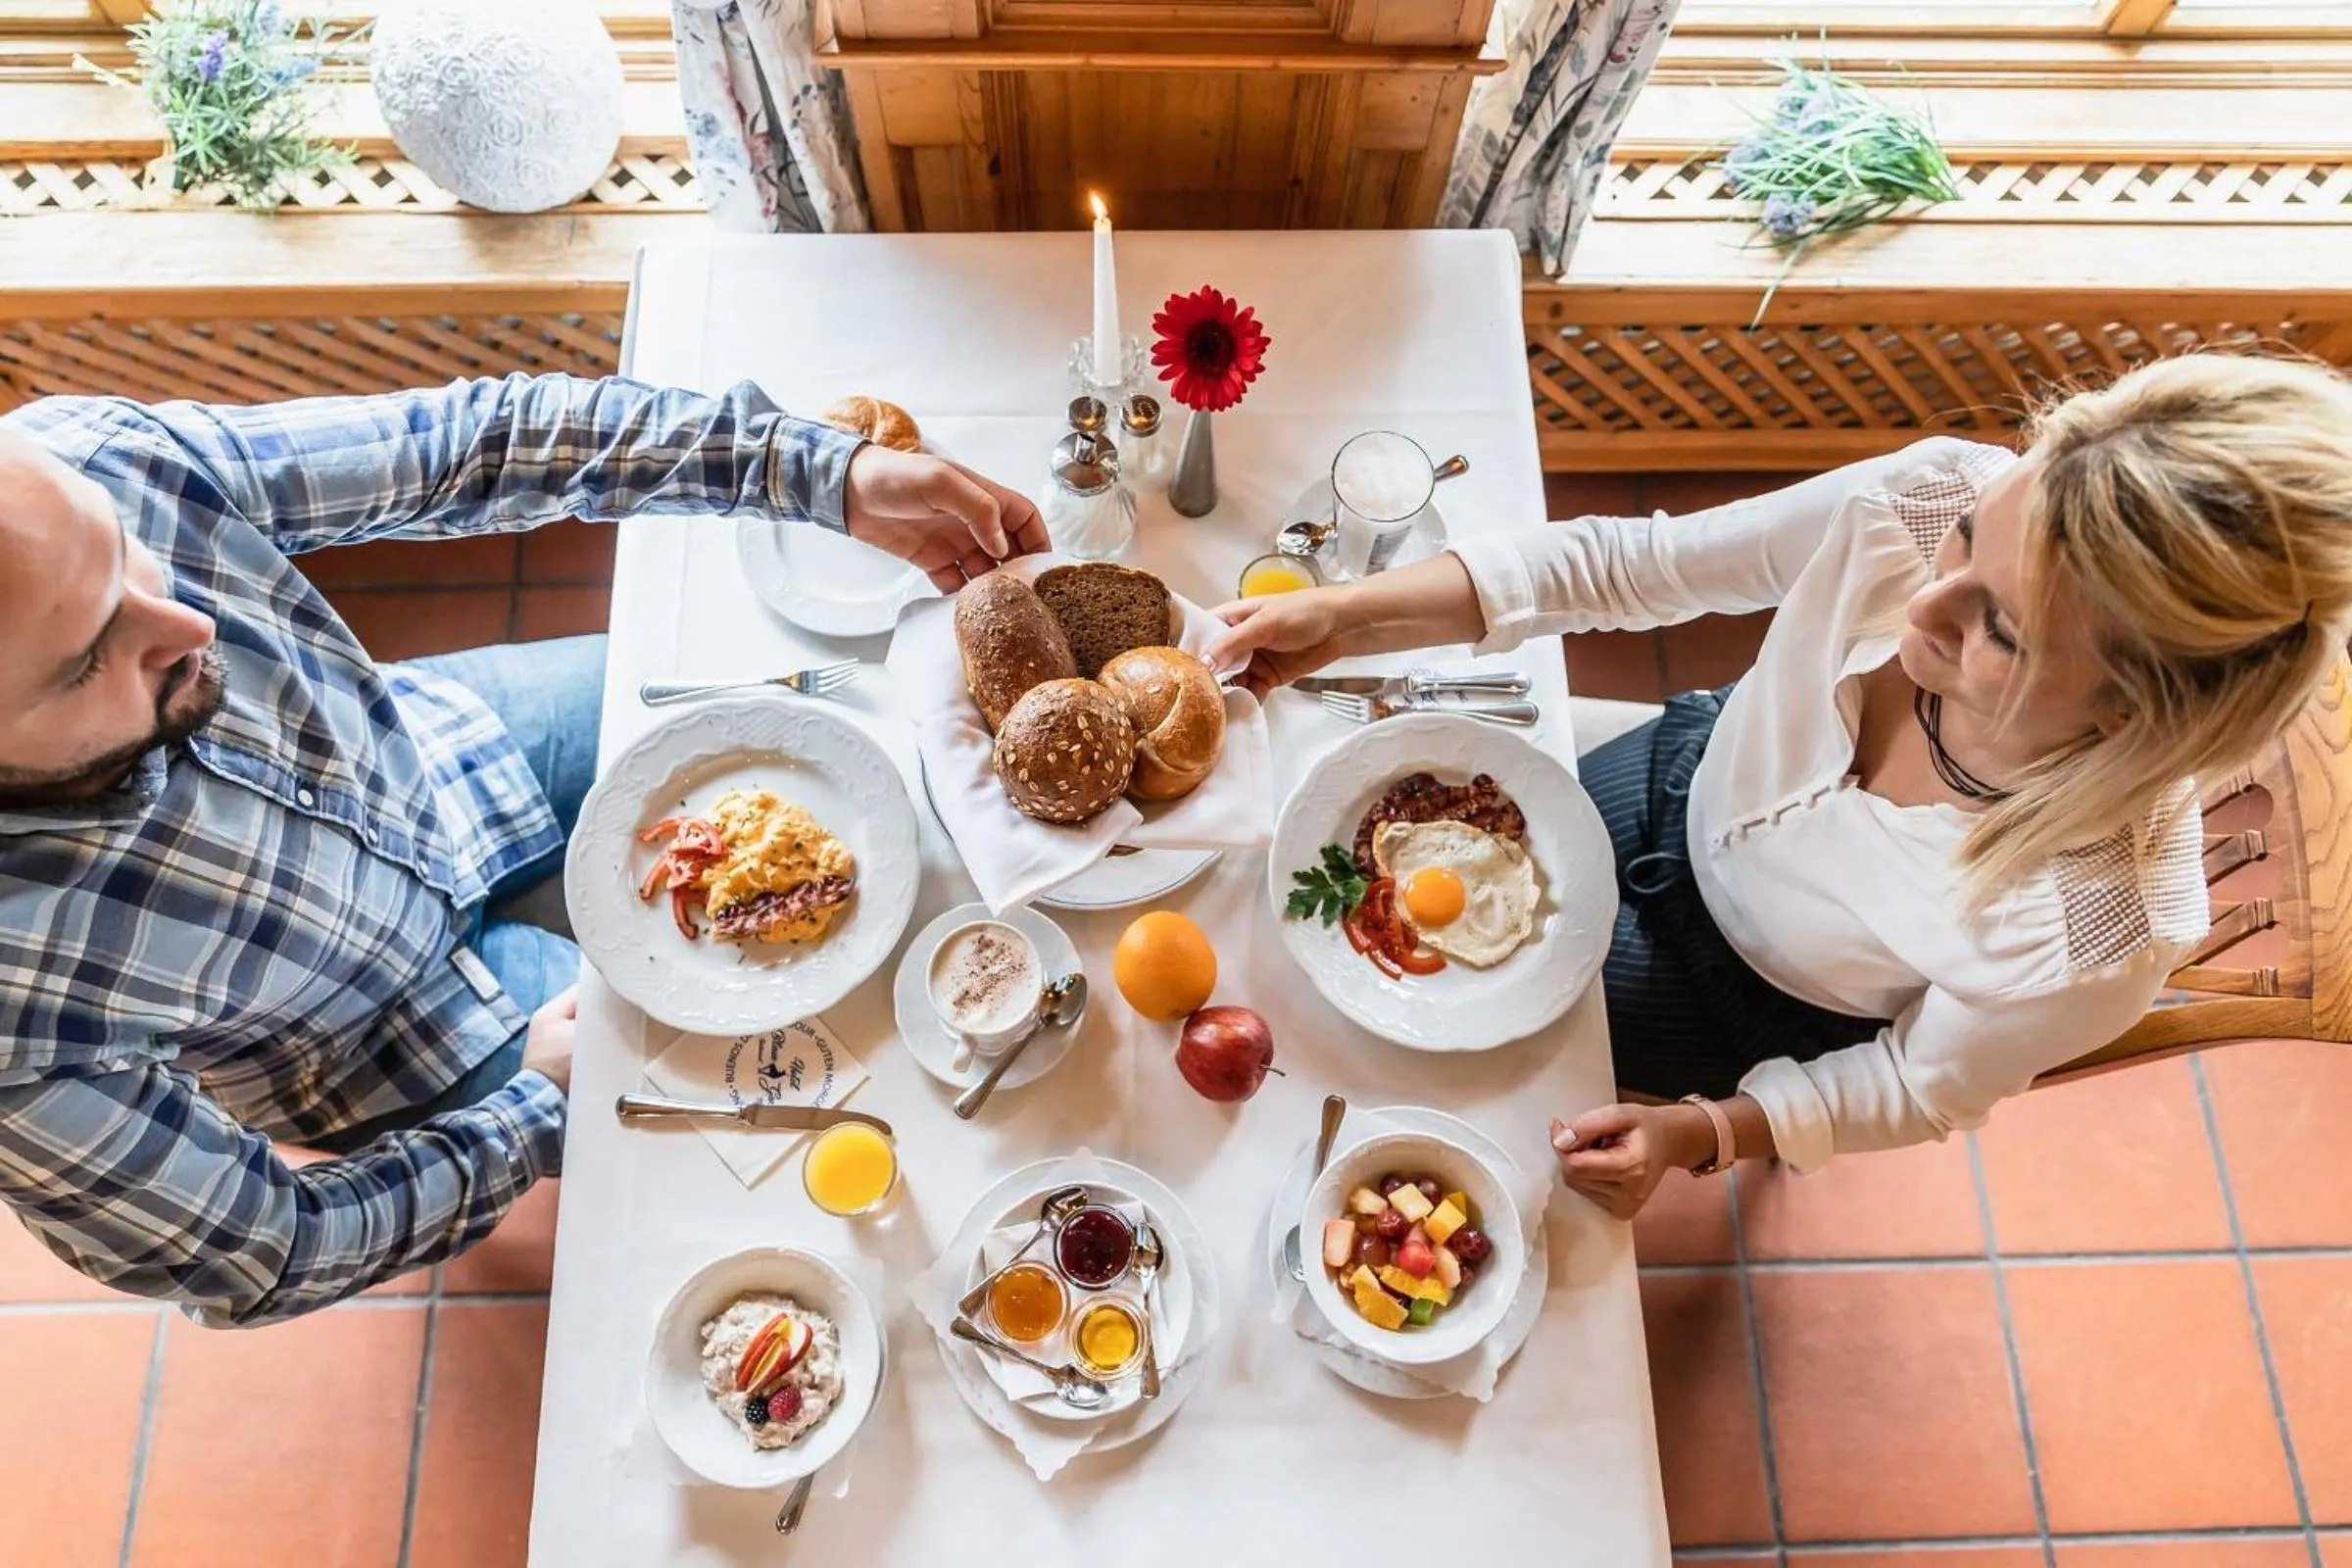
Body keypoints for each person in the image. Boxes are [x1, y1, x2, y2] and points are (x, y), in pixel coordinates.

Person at [0, 372, 1046, 1324]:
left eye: (125, 546)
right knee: (823, 1089)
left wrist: (815, 470)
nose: (189, 619)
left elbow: (475, 444)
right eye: (96, 654)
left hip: (452, 749)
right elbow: (267, 1251)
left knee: (834, 732)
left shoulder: (95, 458)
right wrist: (529, 1112)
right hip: (389, 1036)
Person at [1212, 354, 2352, 1217]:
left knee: (1453, 1087)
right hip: (1669, 780)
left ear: (2131, 710)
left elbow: (1916, 1085)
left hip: (1741, 1004)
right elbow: (1636, 566)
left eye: (1998, 629)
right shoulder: (1926, 497)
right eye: (1967, 541)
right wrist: (1345, 617)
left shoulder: (2100, 930)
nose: (1923, 603)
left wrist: (1707, 1132)